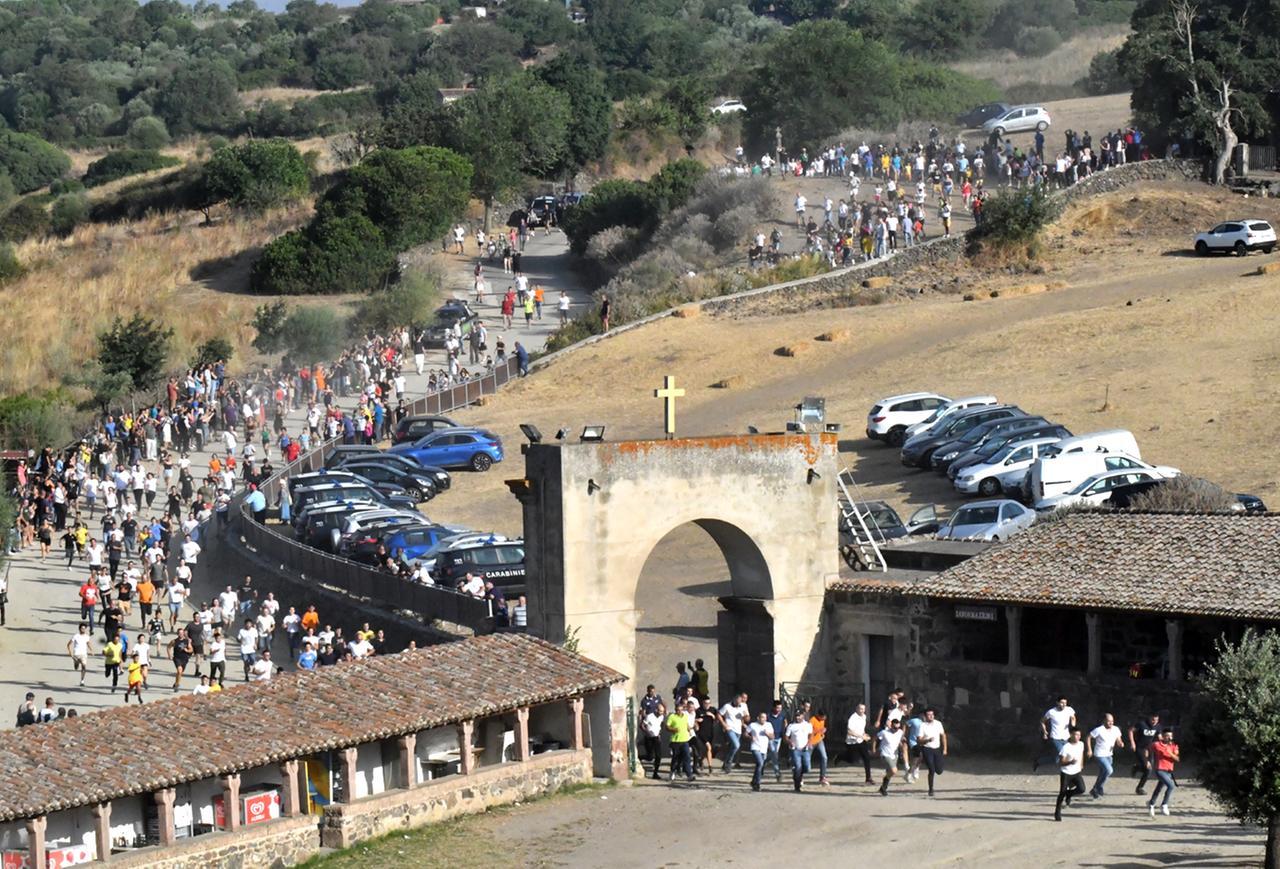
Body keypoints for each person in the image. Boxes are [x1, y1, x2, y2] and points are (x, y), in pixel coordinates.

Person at [1035, 696, 1077, 772]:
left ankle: (1039, 761)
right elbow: (1042, 721)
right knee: (1063, 752)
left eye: (1065, 703)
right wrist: (1045, 732)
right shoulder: (1051, 712)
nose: (1064, 704)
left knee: (1056, 760)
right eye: (1062, 703)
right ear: (1057, 703)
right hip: (1055, 738)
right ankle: (1068, 772)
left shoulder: (1069, 710)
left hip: (1066, 737)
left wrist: (1073, 724)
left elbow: (1073, 717)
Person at [1054, 727, 1087, 821]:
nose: (1078, 737)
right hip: (1066, 772)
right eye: (1076, 735)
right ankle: (1057, 811)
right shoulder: (1066, 747)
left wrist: (1081, 764)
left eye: (1079, 735)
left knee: (1082, 789)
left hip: (1076, 772)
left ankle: (1069, 794)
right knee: (1062, 793)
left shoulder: (1081, 744)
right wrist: (1070, 762)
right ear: (1071, 735)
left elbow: (1081, 754)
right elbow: (1060, 762)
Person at [1089, 713, 1124, 798]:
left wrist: (1120, 743)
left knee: (1103, 772)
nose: (1111, 723)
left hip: (1109, 755)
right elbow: (1088, 737)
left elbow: (1118, 739)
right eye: (1109, 721)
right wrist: (1089, 749)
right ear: (1104, 721)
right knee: (1109, 770)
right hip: (1099, 754)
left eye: (1112, 721)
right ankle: (1098, 787)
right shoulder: (1099, 730)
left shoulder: (1116, 729)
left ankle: (1095, 788)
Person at [1147, 727, 1180, 816]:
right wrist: (1147, 760)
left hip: (1169, 771)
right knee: (1171, 785)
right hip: (1160, 769)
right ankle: (1164, 804)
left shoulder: (1174, 746)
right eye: (1166, 736)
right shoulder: (1156, 744)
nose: (1169, 738)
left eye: (1170, 736)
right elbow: (1147, 749)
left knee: (1159, 788)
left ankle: (1151, 804)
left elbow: (1177, 759)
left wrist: (1170, 753)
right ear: (1162, 736)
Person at [915, 709, 947, 796]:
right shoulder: (922, 726)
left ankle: (938, 767)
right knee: (931, 770)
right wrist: (927, 740)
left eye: (932, 714)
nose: (931, 716)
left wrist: (945, 749)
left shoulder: (938, 723)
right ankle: (931, 789)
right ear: (925, 716)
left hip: (937, 749)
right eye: (929, 715)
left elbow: (943, 736)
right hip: (927, 749)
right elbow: (919, 740)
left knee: (939, 771)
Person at [1129, 712, 1161, 794]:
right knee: (1148, 767)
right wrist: (1132, 743)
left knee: (1149, 770)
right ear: (1149, 718)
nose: (1155, 722)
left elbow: (1159, 737)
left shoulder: (1157, 726)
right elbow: (1130, 731)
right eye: (1153, 720)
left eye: (1157, 720)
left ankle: (1137, 770)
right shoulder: (1142, 724)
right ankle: (1139, 788)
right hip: (1139, 748)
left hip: (1149, 748)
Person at [718, 693, 749, 773]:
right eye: (737, 702)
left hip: (738, 729)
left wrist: (746, 717)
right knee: (736, 745)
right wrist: (724, 724)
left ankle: (725, 763)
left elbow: (747, 719)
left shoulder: (742, 706)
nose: (739, 704)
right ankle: (729, 762)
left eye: (740, 703)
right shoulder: (727, 706)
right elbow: (719, 714)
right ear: (734, 700)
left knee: (732, 747)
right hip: (730, 728)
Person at [877, 717, 908, 795]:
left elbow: (900, 740)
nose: (896, 729)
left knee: (890, 772)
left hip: (894, 754)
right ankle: (884, 782)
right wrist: (874, 748)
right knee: (894, 770)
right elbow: (875, 738)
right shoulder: (884, 732)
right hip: (885, 754)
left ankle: (883, 788)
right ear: (891, 726)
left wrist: (903, 744)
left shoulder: (900, 732)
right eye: (895, 727)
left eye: (898, 727)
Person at [665, 700, 695, 782]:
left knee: (687, 757)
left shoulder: (685, 716)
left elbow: (687, 725)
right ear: (675, 710)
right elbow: (667, 727)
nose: (679, 711)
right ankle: (672, 772)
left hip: (685, 740)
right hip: (675, 741)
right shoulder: (672, 717)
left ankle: (689, 775)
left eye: (681, 710)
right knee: (676, 758)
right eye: (678, 710)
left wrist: (690, 729)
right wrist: (673, 729)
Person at [845, 702, 875, 784]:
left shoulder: (864, 717)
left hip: (861, 741)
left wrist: (865, 735)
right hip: (852, 742)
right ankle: (840, 757)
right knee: (852, 760)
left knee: (867, 758)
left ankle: (868, 778)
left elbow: (861, 729)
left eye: (864, 709)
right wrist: (861, 736)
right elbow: (849, 731)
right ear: (857, 709)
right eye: (860, 709)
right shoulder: (852, 718)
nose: (862, 711)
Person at [785, 710, 813, 792]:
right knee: (798, 767)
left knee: (807, 768)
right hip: (796, 750)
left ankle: (798, 774)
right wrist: (790, 742)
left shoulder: (807, 725)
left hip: (805, 749)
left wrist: (808, 743)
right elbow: (786, 737)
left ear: (802, 716)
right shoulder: (791, 726)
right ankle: (797, 786)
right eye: (796, 716)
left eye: (799, 715)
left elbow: (811, 735)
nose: (797, 717)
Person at [747, 711, 774, 792]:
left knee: (760, 766)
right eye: (762, 717)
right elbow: (745, 734)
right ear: (758, 718)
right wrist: (750, 737)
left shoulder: (768, 725)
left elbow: (772, 737)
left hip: (764, 748)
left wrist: (768, 734)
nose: (764, 719)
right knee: (760, 763)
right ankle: (757, 784)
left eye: (765, 718)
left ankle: (753, 781)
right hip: (755, 747)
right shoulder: (753, 725)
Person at [642, 702, 665, 780]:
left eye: (662, 711)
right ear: (656, 710)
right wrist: (647, 732)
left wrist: (659, 732)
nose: (661, 713)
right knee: (650, 757)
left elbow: (661, 724)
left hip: (656, 738)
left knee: (658, 756)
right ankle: (640, 758)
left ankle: (655, 773)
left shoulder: (661, 717)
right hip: (649, 738)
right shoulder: (649, 716)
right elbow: (642, 725)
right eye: (660, 711)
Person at [765, 700, 787, 783]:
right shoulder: (768, 716)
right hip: (771, 737)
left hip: (779, 737)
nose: (779, 709)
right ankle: (777, 774)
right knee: (774, 755)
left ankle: (762, 763)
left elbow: (785, 721)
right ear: (774, 707)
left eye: (780, 708)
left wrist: (784, 729)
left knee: (773, 754)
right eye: (778, 708)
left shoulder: (782, 714)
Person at [809, 710, 830, 786]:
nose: (823, 719)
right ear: (818, 715)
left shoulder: (822, 721)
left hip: (819, 740)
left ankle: (822, 777)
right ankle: (799, 777)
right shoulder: (812, 720)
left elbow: (821, 729)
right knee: (807, 759)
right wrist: (819, 730)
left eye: (824, 718)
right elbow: (809, 731)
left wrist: (822, 732)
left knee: (824, 757)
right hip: (811, 742)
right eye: (822, 718)